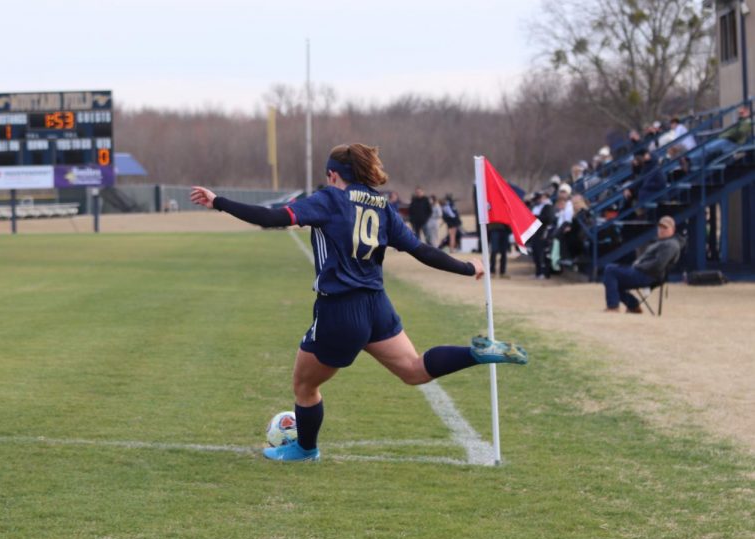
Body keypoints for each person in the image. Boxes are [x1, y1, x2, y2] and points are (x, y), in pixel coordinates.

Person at [190, 143, 528, 462]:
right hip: (376, 305)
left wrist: (218, 201)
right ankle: (476, 352)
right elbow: (422, 251)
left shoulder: (329, 200)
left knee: (305, 385)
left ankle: (305, 449)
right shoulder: (383, 206)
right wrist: (468, 267)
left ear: (334, 175)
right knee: (413, 370)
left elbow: (271, 218)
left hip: (340, 309)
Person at [602, 216, 682, 313]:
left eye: (665, 228)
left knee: (610, 270)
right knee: (612, 279)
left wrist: (638, 266)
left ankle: (613, 307)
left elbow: (658, 264)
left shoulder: (670, 244)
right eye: (660, 227)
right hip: (646, 273)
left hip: (647, 275)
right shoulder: (664, 242)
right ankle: (633, 306)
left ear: (673, 230)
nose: (661, 230)